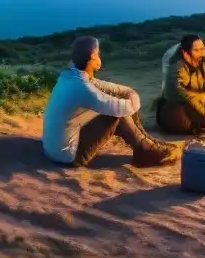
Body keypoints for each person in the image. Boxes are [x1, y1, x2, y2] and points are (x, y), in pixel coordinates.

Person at [42, 36, 179, 168]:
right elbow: (114, 106)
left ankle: (147, 144)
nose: (99, 57)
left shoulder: (70, 76)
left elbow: (102, 86)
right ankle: (145, 149)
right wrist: (133, 101)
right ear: (92, 57)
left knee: (121, 104)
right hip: (68, 156)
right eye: (98, 53)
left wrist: (129, 93)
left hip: (53, 148)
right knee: (116, 113)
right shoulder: (81, 87)